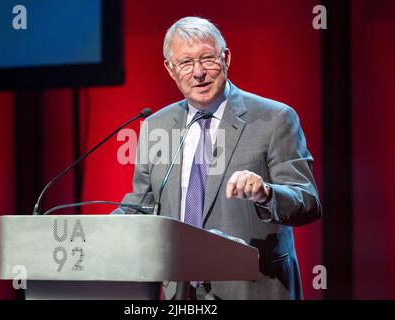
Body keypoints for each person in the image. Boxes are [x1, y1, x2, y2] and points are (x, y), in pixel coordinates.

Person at [116, 16, 321, 300]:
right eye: (186, 63)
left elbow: (307, 201)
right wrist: (99, 231)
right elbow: (142, 205)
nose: (198, 72)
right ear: (170, 69)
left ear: (226, 58)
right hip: (181, 293)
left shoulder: (275, 119)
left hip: (252, 289)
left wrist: (266, 193)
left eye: (207, 59)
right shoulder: (155, 126)